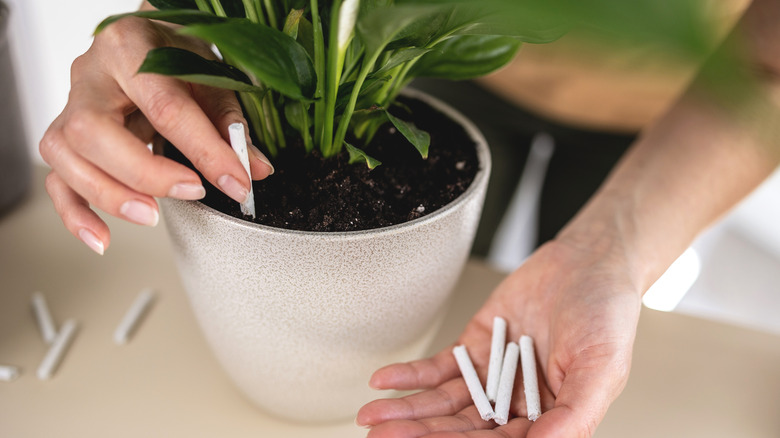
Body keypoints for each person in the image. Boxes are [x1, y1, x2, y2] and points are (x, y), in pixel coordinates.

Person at [40, 0, 780, 436]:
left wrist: (611, 253)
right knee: (462, 280)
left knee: (579, 287)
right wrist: (175, 36)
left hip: (688, 96)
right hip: (430, 43)